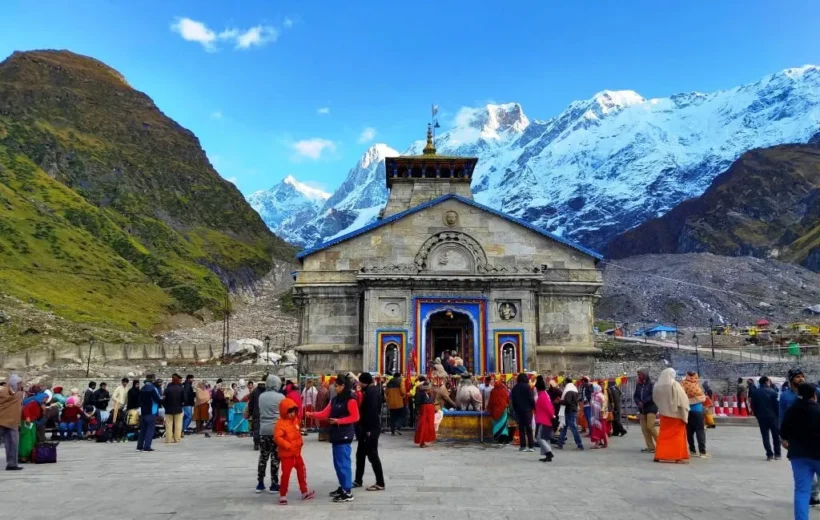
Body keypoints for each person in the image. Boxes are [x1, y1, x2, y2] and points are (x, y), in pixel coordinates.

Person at [307, 375, 361, 503]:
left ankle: (347, 491)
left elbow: (355, 417)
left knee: (343, 463)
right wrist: (312, 414)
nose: (334, 388)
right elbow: (325, 413)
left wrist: (339, 421)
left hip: (345, 434)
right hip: (336, 434)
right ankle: (343, 486)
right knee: (338, 464)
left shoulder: (350, 400)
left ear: (343, 386)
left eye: (336, 386)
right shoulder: (335, 400)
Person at [781, 382, 820, 520]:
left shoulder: (791, 411)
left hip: (798, 456)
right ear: (814, 395)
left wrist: (786, 442)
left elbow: (783, 432)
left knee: (802, 491)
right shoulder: (818, 410)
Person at [274, 397, 315, 504]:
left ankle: (304, 492)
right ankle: (283, 495)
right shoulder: (280, 423)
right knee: (286, 475)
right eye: (290, 412)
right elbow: (277, 437)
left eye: (294, 412)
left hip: (297, 453)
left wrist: (300, 442)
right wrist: (288, 445)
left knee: (302, 471)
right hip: (287, 455)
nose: (292, 414)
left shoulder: (295, 420)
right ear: (284, 412)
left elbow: (297, 433)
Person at [354, 373, 386, 491]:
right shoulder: (371, 390)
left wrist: (368, 430)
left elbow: (372, 412)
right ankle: (358, 480)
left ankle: (380, 482)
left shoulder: (371, 392)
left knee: (372, 455)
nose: (358, 384)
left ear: (363, 382)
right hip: (366, 428)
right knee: (360, 455)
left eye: (359, 382)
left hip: (370, 429)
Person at [652, 368, 690, 463]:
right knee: (677, 435)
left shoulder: (657, 385)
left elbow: (655, 399)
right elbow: (683, 400)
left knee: (663, 435)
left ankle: (659, 455)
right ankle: (677, 457)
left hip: (664, 414)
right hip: (676, 415)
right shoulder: (674, 385)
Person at [257, 375, 285, 493]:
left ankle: (260, 483)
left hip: (263, 430)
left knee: (263, 457)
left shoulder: (261, 396)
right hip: (276, 430)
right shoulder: (281, 397)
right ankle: (274, 483)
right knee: (275, 457)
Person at [750, 376, 781, 461]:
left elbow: (753, 406)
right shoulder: (773, 392)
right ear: (767, 382)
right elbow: (777, 406)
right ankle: (777, 454)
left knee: (765, 436)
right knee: (776, 436)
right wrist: (778, 417)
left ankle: (769, 454)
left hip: (762, 417)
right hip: (773, 417)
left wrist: (757, 415)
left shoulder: (755, 393)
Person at [682, 371, 709, 458]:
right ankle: (702, 452)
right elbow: (701, 396)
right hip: (697, 410)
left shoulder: (683, 383)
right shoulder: (694, 385)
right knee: (700, 431)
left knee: (689, 431)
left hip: (687, 410)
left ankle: (692, 450)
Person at [0, 374, 23, 470]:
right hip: (2, 420)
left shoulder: (18, 393)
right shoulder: (4, 392)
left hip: (13, 421)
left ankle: (12, 464)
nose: (21, 384)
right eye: (19, 383)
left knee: (13, 443)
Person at [634, 368, 659, 453]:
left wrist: (644, 402)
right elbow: (635, 396)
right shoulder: (639, 385)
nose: (639, 376)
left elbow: (653, 396)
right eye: (638, 375)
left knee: (650, 426)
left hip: (651, 408)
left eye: (640, 374)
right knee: (644, 429)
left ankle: (661, 444)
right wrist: (638, 402)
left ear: (645, 375)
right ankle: (650, 446)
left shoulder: (651, 384)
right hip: (642, 409)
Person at [137, 373, 162, 452]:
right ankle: (147, 446)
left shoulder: (142, 388)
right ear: (153, 379)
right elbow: (157, 399)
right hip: (151, 411)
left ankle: (139, 446)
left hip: (143, 411)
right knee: (150, 429)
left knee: (143, 430)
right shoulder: (152, 388)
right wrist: (163, 398)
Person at [557, 378, 584, 450]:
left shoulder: (568, 390)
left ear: (566, 382)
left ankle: (579, 445)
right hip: (572, 410)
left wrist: (559, 401)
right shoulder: (574, 388)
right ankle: (560, 443)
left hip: (569, 410)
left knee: (573, 428)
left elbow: (567, 401)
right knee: (564, 427)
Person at [511, 373, 535, 452]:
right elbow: (531, 399)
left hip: (518, 410)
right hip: (527, 410)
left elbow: (513, 401)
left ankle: (522, 446)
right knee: (528, 428)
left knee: (521, 428)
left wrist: (515, 409)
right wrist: (533, 407)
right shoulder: (528, 387)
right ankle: (531, 446)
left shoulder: (514, 388)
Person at [534, 377, 555, 462]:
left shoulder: (542, 396)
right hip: (544, 419)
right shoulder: (544, 395)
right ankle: (547, 455)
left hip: (543, 420)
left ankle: (549, 452)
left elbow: (548, 408)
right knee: (544, 438)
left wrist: (552, 416)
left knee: (539, 437)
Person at [487, 379, 511, 444]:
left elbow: (490, 401)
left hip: (494, 411)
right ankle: (504, 438)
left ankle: (497, 437)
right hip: (503, 410)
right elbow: (508, 400)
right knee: (503, 424)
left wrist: (488, 408)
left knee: (496, 424)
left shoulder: (492, 391)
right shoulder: (504, 391)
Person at [414, 379, 436, 448]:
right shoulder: (420, 394)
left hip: (429, 411)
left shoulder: (428, 394)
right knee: (423, 426)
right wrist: (417, 411)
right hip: (424, 411)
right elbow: (417, 403)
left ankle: (425, 440)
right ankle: (422, 441)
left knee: (428, 426)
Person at [163, 374, 184, 443]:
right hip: (178, 409)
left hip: (168, 409)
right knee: (178, 424)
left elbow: (163, 400)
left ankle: (168, 439)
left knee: (168, 425)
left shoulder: (167, 389)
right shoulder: (181, 389)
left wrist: (165, 406)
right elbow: (184, 400)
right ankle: (177, 439)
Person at [247, 378, 266, 450]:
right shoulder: (267, 391)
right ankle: (263, 443)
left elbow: (251, 404)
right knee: (264, 429)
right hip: (265, 413)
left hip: (256, 413)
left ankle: (256, 443)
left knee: (256, 429)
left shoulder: (254, 391)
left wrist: (250, 412)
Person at [589, 383, 608, 449]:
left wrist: (602, 411)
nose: (591, 389)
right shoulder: (593, 395)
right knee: (597, 429)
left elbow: (604, 404)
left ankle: (603, 443)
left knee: (600, 429)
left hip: (600, 415)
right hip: (595, 415)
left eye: (592, 388)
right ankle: (599, 443)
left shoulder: (600, 395)